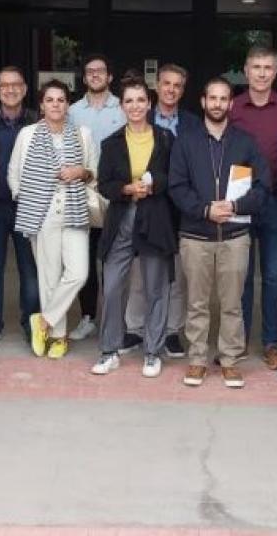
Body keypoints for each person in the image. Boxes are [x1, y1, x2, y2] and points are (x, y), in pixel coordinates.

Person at [168, 77, 269, 388]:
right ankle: (197, 359)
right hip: (195, 236)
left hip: (235, 237)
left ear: (231, 104)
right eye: (212, 98)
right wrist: (204, 210)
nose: (217, 104)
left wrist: (236, 206)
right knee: (197, 303)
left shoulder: (246, 142)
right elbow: (176, 186)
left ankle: (229, 360)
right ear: (203, 101)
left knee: (232, 303)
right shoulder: (185, 141)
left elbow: (263, 186)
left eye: (223, 98)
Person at [90, 79, 177, 378]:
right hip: (122, 217)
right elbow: (104, 184)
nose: (136, 106)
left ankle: (153, 352)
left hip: (155, 218)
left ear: (149, 103)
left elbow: (174, 177)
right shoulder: (111, 143)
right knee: (112, 286)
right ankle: (109, 350)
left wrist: (153, 186)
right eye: (129, 101)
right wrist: (127, 189)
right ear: (122, 106)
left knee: (156, 287)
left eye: (141, 100)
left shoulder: (165, 138)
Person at [9, 79, 98, 358]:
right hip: (41, 212)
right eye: (50, 100)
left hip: (74, 209)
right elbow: (14, 172)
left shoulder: (82, 134)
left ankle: (43, 321)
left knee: (78, 273)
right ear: (41, 105)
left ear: (68, 104)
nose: (56, 104)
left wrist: (80, 172)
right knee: (48, 277)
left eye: (61, 100)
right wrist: (28, 198)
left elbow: (94, 173)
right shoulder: (27, 134)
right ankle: (58, 337)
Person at [229, 45, 277, 370]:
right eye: (256, 67)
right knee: (240, 276)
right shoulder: (232, 107)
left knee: (272, 276)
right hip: (241, 201)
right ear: (246, 71)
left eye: (267, 67)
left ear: (276, 72)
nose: (261, 73)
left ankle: (271, 344)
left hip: (276, 201)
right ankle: (238, 341)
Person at [127, 63, 198, 358]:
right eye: (166, 83)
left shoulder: (193, 124)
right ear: (157, 85)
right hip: (145, 204)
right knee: (139, 269)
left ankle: (171, 331)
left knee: (176, 272)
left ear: (183, 90)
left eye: (177, 85)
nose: (171, 89)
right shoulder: (141, 116)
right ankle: (135, 327)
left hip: (180, 206)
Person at [0, 66, 41, 345]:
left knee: (30, 267)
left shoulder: (37, 120)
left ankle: (31, 322)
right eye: (4, 85)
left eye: (16, 84)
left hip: (29, 205)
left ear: (25, 89)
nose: (10, 90)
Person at [67, 54, 125, 343]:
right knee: (85, 259)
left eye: (100, 71)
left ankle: (116, 318)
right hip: (83, 194)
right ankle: (88, 316)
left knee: (115, 259)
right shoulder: (73, 112)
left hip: (117, 194)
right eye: (90, 71)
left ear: (109, 76)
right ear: (84, 77)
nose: (95, 75)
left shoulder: (124, 107)